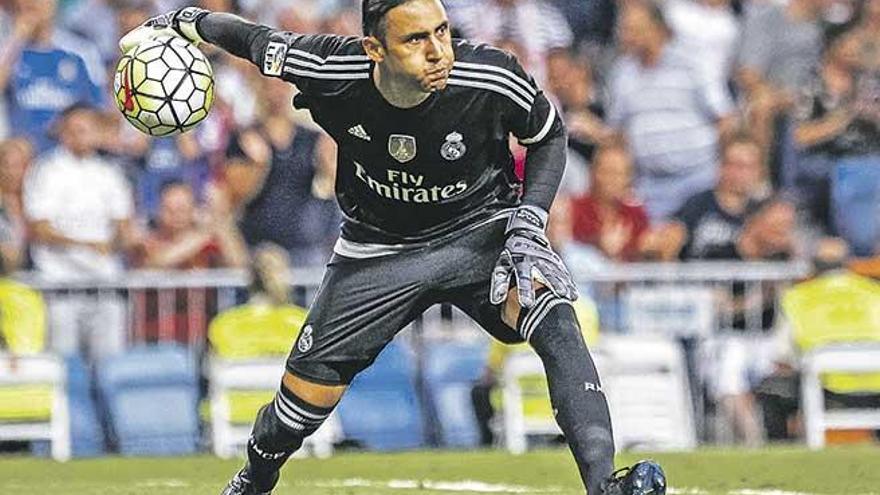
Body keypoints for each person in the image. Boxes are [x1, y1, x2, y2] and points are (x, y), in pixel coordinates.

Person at [121, 3, 666, 495]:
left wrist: (530, 220)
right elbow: (249, 37)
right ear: (374, 49)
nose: (438, 52)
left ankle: (605, 484)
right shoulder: (328, 67)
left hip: (481, 231)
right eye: (415, 41)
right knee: (298, 410)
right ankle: (254, 481)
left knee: (554, 314)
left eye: (443, 33)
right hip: (377, 251)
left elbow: (548, 135)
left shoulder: (490, 74)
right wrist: (183, 20)